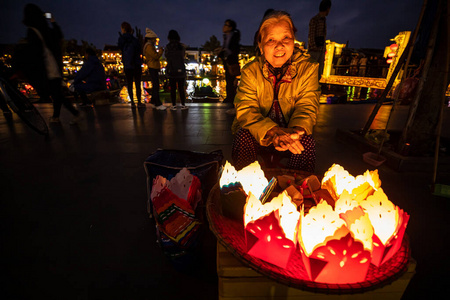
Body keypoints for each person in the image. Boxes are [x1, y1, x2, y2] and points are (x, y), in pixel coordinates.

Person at [231, 10, 320, 172]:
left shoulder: (309, 68)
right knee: (243, 136)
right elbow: (246, 109)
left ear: (293, 40)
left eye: (286, 37)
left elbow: (307, 105)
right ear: (261, 45)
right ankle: (243, 187)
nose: (280, 46)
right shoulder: (250, 71)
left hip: (291, 131)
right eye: (271, 40)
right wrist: (273, 132)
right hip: (262, 133)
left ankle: (297, 188)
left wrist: (295, 133)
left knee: (306, 142)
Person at [18, 3, 81, 124]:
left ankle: (74, 113)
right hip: (54, 65)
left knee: (56, 93)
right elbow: (58, 36)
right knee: (57, 93)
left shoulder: (32, 31)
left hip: (47, 67)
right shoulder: (45, 29)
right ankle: (57, 116)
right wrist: (53, 21)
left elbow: (34, 53)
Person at [118, 22, 143, 107]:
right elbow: (139, 50)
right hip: (136, 63)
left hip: (128, 64)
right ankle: (139, 102)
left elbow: (120, 48)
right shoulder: (134, 40)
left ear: (123, 29)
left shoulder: (121, 39)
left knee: (129, 83)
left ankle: (132, 102)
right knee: (137, 83)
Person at [217, 19, 240, 104]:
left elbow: (234, 49)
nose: (223, 27)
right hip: (227, 61)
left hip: (231, 61)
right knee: (229, 80)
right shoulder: (226, 36)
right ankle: (230, 98)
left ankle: (231, 99)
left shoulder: (233, 36)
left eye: (226, 25)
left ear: (230, 27)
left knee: (231, 81)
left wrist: (224, 50)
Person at [143, 28, 166, 110]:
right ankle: (158, 103)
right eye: (154, 39)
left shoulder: (149, 46)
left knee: (155, 85)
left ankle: (153, 101)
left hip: (153, 66)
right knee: (156, 85)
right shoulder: (149, 46)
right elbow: (155, 56)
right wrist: (160, 51)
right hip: (153, 66)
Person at [164, 30, 188, 110]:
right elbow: (183, 56)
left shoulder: (168, 47)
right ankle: (183, 104)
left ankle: (173, 105)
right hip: (180, 69)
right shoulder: (181, 47)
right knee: (181, 88)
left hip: (171, 69)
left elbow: (166, 56)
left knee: (173, 89)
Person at [308, 0, 332, 79]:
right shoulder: (315, 20)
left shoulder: (323, 20)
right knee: (312, 73)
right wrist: (315, 47)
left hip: (320, 50)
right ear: (327, 8)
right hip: (315, 50)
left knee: (318, 73)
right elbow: (311, 36)